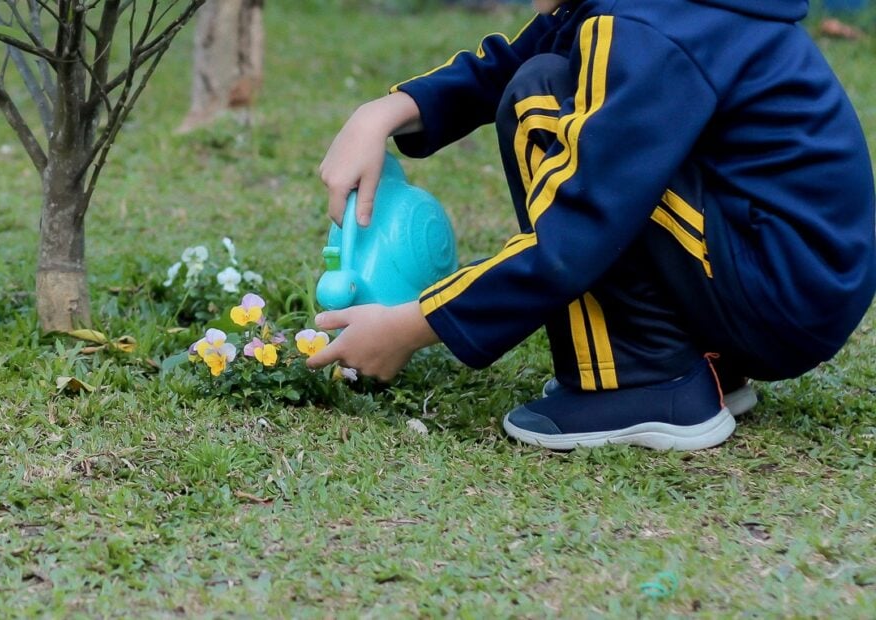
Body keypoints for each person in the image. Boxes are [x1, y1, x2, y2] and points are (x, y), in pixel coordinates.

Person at [307, 0, 876, 451]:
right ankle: (701, 366)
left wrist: (412, 323)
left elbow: (576, 234)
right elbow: (504, 63)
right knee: (543, 77)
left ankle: (645, 384)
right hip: (792, 279)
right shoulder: (658, 7)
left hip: (777, 293)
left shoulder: (646, 24)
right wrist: (380, 114)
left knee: (540, 102)